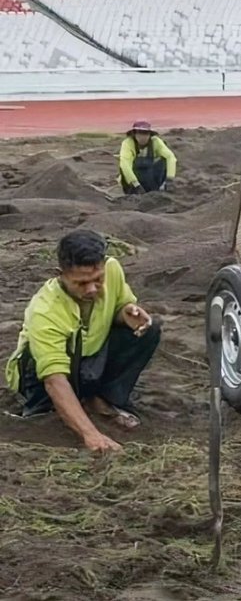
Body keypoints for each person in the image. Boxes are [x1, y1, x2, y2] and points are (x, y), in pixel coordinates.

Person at [5, 230, 160, 453]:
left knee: (149, 329)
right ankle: (52, 409)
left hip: (88, 356)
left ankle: (102, 399)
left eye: (98, 280)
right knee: (44, 382)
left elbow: (121, 304)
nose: (91, 289)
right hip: (42, 375)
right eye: (81, 283)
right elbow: (53, 379)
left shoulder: (113, 269)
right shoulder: (45, 310)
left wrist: (125, 313)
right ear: (61, 274)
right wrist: (91, 434)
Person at [119, 120, 177, 195]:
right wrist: (135, 184)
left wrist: (170, 179)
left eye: (145, 134)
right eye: (140, 133)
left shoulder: (156, 142)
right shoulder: (127, 143)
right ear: (134, 134)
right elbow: (125, 164)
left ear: (150, 135)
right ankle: (131, 192)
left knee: (164, 161)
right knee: (123, 168)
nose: (143, 137)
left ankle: (160, 189)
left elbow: (170, 157)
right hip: (134, 178)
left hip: (150, 175)